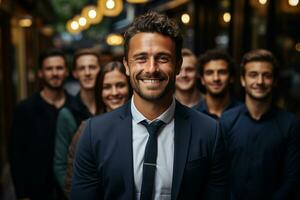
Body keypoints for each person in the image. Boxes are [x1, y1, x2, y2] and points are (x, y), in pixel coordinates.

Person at [71, 11, 227, 200]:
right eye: (141, 58)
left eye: (163, 58)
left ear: (178, 65)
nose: (151, 69)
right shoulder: (94, 133)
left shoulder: (210, 132)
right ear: (127, 66)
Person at [220, 49, 300, 199]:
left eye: (267, 75)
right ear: (243, 80)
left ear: (275, 81)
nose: (260, 82)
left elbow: (292, 179)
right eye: (253, 75)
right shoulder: (227, 120)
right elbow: (220, 173)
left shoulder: (290, 124)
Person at [9, 49, 72, 200]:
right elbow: (16, 156)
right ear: (40, 73)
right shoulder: (25, 109)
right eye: (49, 69)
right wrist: (22, 194)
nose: (55, 73)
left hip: (68, 191)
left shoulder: (74, 106)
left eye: (59, 68)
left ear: (66, 72)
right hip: (36, 192)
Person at [63, 61, 131, 198]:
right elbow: (72, 180)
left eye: (120, 85)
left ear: (130, 88)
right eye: (107, 87)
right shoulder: (87, 129)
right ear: (99, 91)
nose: (114, 92)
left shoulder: (141, 125)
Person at [53, 48, 101, 191]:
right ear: (75, 73)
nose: (87, 73)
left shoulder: (111, 106)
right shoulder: (67, 114)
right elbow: (60, 165)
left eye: (92, 67)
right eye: (82, 68)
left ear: (100, 70)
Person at [194, 49, 240, 119]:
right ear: (202, 79)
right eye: (209, 73)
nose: (216, 78)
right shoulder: (193, 115)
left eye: (222, 72)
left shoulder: (243, 113)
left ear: (231, 77)